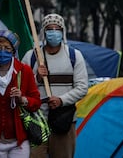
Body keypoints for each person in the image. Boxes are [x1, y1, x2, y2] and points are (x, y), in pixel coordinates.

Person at [22, 13, 88, 158]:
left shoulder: (74, 56)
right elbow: (20, 86)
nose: (53, 32)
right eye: (49, 29)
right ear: (43, 32)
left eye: (57, 29)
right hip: (36, 121)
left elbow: (82, 87)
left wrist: (61, 100)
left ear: (62, 31)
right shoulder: (31, 57)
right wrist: (36, 77)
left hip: (63, 120)